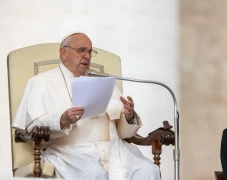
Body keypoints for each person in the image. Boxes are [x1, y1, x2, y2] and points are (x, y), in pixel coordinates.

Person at [12, 32, 160, 180]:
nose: (87, 56)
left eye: (89, 52)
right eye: (81, 50)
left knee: (148, 170)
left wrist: (128, 116)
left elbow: (123, 133)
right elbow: (32, 125)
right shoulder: (41, 82)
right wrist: (62, 120)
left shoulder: (103, 81)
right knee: (93, 175)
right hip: (70, 152)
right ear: (64, 52)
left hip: (115, 150)